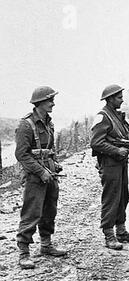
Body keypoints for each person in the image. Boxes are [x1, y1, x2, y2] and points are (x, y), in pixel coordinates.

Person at [15, 86, 66, 269]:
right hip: (36, 176)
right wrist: (41, 171)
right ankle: (24, 253)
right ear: (39, 103)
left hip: (50, 174)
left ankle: (46, 245)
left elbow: (50, 150)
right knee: (31, 212)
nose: (53, 103)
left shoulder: (49, 122)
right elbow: (22, 154)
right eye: (49, 100)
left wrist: (55, 164)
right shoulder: (26, 125)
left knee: (49, 210)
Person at [90, 84, 129, 250]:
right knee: (111, 197)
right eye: (119, 97)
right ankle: (109, 234)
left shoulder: (118, 116)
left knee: (123, 196)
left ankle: (121, 231)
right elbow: (96, 142)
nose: (122, 100)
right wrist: (117, 150)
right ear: (110, 99)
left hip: (121, 163)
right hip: (110, 163)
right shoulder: (103, 117)